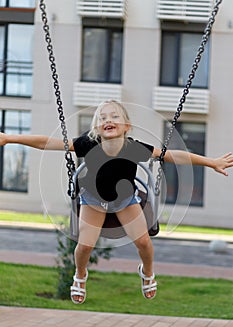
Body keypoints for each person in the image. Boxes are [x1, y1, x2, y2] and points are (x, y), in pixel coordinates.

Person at [1, 100, 233, 304]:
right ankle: (80, 274)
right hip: (92, 201)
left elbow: (173, 155)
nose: (107, 120)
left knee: (144, 243)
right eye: (102, 118)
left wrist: (210, 162)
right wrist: (10, 138)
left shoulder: (134, 148)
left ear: (127, 126)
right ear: (96, 127)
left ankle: (147, 272)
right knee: (84, 247)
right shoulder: (87, 144)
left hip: (125, 201)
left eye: (114, 116)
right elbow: (47, 143)